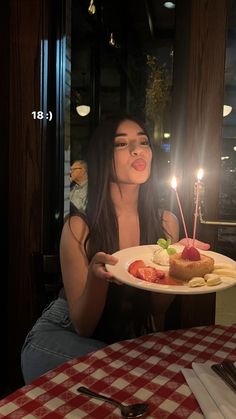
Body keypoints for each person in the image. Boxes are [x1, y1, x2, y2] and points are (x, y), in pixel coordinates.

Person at [21, 114, 209, 384]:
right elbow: (84, 326)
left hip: (125, 343)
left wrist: (176, 267)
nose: (137, 149)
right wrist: (97, 279)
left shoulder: (166, 223)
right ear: (103, 157)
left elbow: (157, 308)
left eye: (143, 142)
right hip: (64, 338)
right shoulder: (78, 228)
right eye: (121, 144)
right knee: (136, 373)